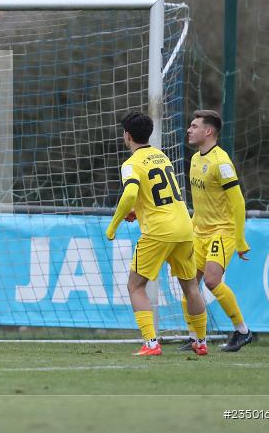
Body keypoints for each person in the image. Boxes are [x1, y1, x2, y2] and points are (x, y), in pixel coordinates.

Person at [105, 111, 208, 356]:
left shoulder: (131, 164)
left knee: (135, 285)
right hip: (184, 226)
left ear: (127, 136)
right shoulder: (162, 156)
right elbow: (156, 196)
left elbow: (131, 193)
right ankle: (200, 342)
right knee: (191, 286)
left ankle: (151, 344)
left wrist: (114, 224)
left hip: (159, 231)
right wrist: (136, 211)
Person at [180, 109, 255, 352]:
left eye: (194, 126)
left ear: (208, 131)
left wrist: (240, 239)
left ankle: (242, 331)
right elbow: (202, 202)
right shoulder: (195, 159)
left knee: (212, 281)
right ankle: (194, 338)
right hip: (198, 232)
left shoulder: (221, 162)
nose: (189, 130)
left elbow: (238, 202)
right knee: (189, 285)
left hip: (222, 231)